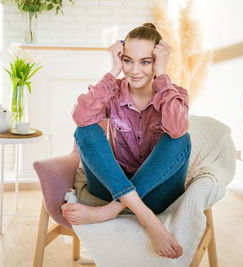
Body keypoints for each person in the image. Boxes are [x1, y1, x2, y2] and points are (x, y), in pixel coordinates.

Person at [62, 23, 191, 259]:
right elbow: (81, 117)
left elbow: (177, 128)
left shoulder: (175, 93)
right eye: (128, 60)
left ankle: (112, 211)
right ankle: (147, 217)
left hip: (156, 192)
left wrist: (163, 74)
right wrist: (113, 70)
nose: (134, 70)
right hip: (113, 185)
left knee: (180, 139)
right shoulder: (114, 92)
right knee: (84, 130)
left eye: (145, 61)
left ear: (156, 62)